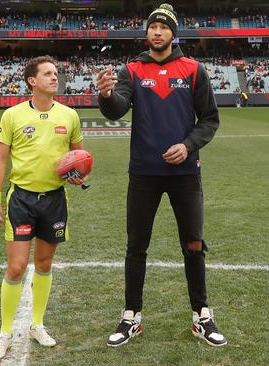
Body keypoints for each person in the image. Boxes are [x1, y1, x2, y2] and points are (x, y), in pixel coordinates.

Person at [96, 3, 226, 348]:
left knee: (194, 245)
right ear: (147, 32)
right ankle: (131, 317)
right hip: (143, 173)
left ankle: (202, 314)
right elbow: (117, 109)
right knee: (136, 247)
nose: (157, 32)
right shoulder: (132, 70)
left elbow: (210, 119)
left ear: (173, 33)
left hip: (184, 173)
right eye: (152, 26)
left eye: (163, 27)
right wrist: (106, 95)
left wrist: (188, 145)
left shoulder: (194, 70)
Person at [0, 55, 86, 360]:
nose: (55, 77)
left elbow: (79, 156)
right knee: (16, 267)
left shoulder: (69, 115)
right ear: (32, 81)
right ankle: (5, 331)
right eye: (48, 73)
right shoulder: (12, 115)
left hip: (54, 200)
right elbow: (0, 159)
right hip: (21, 199)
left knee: (43, 265)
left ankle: (37, 324)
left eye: (56, 73)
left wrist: (78, 174)